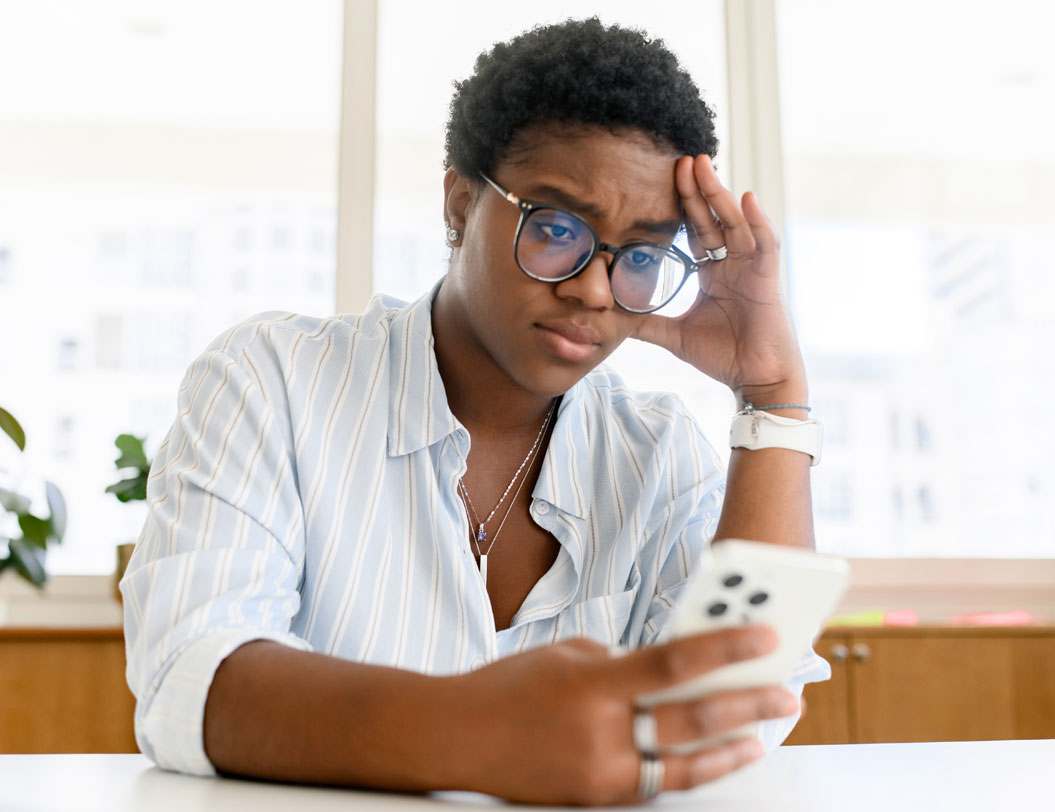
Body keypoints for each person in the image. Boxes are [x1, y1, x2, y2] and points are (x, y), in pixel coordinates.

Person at [122, 17, 827, 805]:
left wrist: (771, 396)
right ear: (460, 202)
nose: (594, 289)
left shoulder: (657, 453)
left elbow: (737, 707)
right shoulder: (272, 382)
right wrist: (475, 733)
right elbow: (190, 679)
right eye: (556, 227)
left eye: (639, 255)